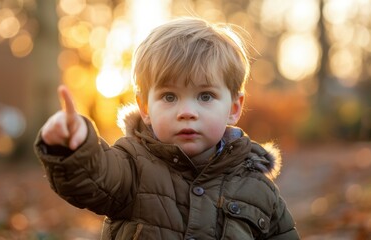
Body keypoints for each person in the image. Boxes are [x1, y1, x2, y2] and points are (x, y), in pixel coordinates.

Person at [34, 17, 300, 239]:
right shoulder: (131, 166)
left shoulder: (257, 189)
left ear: (234, 107)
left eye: (205, 96)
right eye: (169, 97)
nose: (187, 112)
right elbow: (92, 177)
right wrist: (75, 147)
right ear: (146, 108)